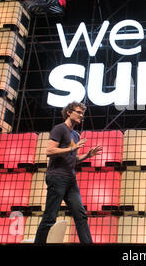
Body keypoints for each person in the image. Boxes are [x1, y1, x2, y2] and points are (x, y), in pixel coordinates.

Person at [35, 101, 102, 244]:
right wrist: (72, 149)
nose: (81, 115)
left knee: (81, 215)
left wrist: (87, 156)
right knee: (50, 217)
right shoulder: (59, 129)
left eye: (82, 113)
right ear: (69, 112)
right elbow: (50, 151)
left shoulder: (75, 136)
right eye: (78, 112)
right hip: (57, 177)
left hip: (71, 179)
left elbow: (72, 158)